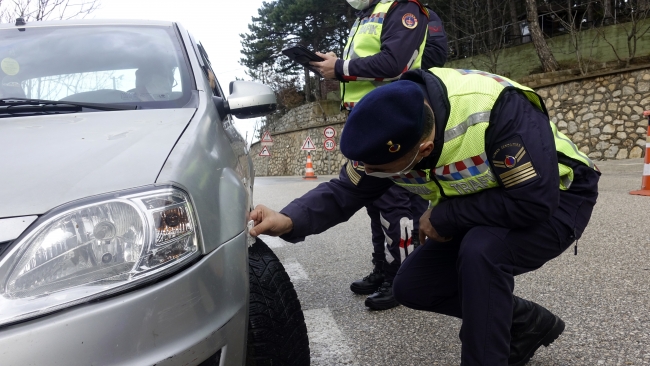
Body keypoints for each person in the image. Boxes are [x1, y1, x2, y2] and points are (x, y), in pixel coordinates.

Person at [249, 67, 600, 365]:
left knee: (483, 250)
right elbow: (347, 189)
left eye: (381, 170)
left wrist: (446, 216)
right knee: (413, 286)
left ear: (425, 149)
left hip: (559, 198)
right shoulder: (390, 126)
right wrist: (289, 219)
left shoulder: (497, 110)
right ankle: (526, 322)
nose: (371, 173)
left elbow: (533, 201)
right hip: (480, 207)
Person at [311, 0, 448, 310]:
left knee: (395, 202)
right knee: (376, 202)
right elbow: (367, 62)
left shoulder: (402, 8)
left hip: (391, 117)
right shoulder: (366, 15)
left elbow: (393, 63)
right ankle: (383, 267)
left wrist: (341, 67)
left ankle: (399, 278)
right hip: (369, 116)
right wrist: (338, 63)